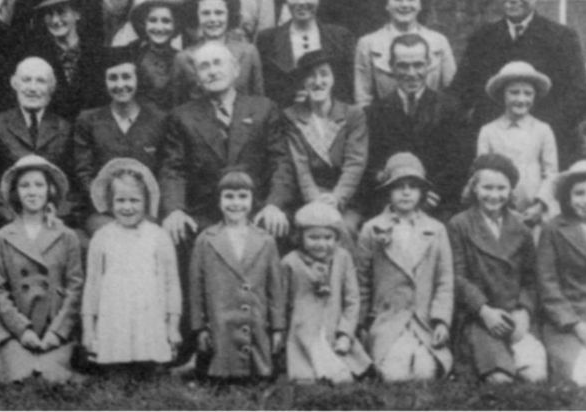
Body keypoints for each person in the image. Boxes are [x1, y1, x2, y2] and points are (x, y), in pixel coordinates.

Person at [451, 0, 586, 168]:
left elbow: (581, 94)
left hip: (547, 144)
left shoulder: (561, 38)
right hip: (494, 144)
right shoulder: (482, 38)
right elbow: (461, 91)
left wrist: (536, 129)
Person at [161, 42, 292, 242]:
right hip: (204, 215)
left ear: (236, 70)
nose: (212, 72)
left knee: (276, 228)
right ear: (197, 77)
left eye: (218, 64)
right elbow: (173, 169)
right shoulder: (182, 116)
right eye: (204, 67)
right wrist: (175, 210)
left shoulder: (264, 109)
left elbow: (280, 163)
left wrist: (274, 205)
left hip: (255, 210)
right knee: (179, 231)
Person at [0, 155, 84, 383]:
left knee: (54, 375)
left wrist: (57, 332)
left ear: (50, 190)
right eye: (25, 186)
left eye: (39, 185)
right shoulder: (2, 238)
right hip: (16, 328)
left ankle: (53, 354)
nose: (32, 192)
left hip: (55, 325)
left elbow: (75, 289)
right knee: (18, 372)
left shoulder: (67, 236)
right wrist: (23, 331)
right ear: (15, 193)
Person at [355, 152, 454, 382]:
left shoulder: (436, 230)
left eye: (413, 187)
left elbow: (444, 282)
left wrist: (441, 320)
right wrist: (361, 324)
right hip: (388, 319)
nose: (406, 192)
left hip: (424, 321)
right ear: (388, 192)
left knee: (425, 372)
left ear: (422, 192)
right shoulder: (372, 229)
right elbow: (362, 281)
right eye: (399, 187)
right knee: (394, 374)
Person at [448, 154, 546, 384]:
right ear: (474, 188)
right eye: (487, 187)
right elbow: (457, 277)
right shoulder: (459, 225)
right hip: (479, 317)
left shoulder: (521, 228)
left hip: (514, 315)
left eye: (501, 188)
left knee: (535, 376)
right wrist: (484, 310)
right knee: (500, 378)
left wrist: (524, 311)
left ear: (511, 191)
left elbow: (531, 279)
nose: (494, 195)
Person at [82, 158, 180, 367]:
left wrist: (173, 326)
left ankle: (148, 361)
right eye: (121, 200)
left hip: (148, 311)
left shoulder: (158, 236)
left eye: (134, 200)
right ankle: (115, 361)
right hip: (114, 311)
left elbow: (172, 284)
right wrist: (88, 329)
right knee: (116, 368)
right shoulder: (102, 237)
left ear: (146, 201)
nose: (127, 207)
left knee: (148, 367)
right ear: (110, 202)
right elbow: (92, 285)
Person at [189, 171, 285, 379]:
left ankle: (257, 373)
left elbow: (275, 289)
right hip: (221, 323)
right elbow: (196, 289)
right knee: (221, 374)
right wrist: (199, 328)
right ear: (219, 200)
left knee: (259, 375)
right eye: (229, 196)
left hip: (255, 322)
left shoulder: (266, 240)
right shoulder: (206, 240)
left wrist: (278, 327)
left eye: (242, 196)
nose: (236, 203)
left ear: (252, 200)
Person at [364, 34, 470, 217]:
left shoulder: (450, 109)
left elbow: (458, 163)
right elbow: (371, 165)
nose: (411, 73)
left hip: (438, 202)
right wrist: (394, 194)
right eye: (403, 65)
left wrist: (434, 193)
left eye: (418, 65)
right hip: (390, 202)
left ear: (429, 64)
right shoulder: (374, 113)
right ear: (391, 66)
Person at [536, 160, 586, 387]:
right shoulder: (553, 228)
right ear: (567, 197)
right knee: (582, 372)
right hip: (567, 321)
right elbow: (547, 284)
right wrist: (576, 325)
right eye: (579, 193)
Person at [74, 47, 166, 235]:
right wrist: (109, 205)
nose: (120, 84)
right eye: (113, 78)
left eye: (126, 77)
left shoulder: (158, 119)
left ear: (138, 80)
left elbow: (165, 169)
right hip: (104, 213)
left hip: (147, 211)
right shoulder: (89, 120)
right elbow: (84, 171)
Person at [281, 50, 368, 250]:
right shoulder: (291, 116)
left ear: (333, 79)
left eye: (324, 74)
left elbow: (355, 162)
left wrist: (337, 198)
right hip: (308, 197)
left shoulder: (353, 115)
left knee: (343, 227)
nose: (317, 81)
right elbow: (299, 164)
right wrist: (316, 202)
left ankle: (347, 279)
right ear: (303, 81)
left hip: (345, 198)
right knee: (307, 228)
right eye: (310, 75)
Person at [281, 201, 372, 384]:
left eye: (328, 237)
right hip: (303, 333)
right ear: (300, 237)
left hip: (334, 330)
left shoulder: (342, 258)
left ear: (337, 238)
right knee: (306, 378)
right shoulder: (290, 263)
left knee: (344, 378)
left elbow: (352, 300)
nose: (321, 244)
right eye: (313, 237)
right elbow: (282, 303)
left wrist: (345, 333)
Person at [0, 57, 76, 230]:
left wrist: (58, 216)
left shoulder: (65, 128)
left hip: (53, 221)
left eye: (40, 81)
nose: (32, 88)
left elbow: (73, 184)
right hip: (9, 222)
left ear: (51, 88)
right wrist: (15, 220)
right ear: (14, 83)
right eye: (26, 80)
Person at [353, 0, 455, 107]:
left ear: (420, 4)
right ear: (386, 4)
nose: (405, 4)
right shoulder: (368, 44)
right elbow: (363, 99)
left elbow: (452, 94)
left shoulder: (439, 42)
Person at [255, 0, 355, 107]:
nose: (301, 2)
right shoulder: (267, 39)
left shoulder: (340, 37)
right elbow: (264, 90)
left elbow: (348, 88)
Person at [477, 61, 558, 227]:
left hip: (536, 212)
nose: (521, 99)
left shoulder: (543, 130)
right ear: (503, 95)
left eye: (528, 93)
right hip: (498, 210)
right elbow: (481, 175)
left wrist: (540, 205)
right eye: (514, 93)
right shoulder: (489, 131)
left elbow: (551, 173)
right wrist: (502, 207)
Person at [18, 0, 107, 119]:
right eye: (49, 14)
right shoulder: (35, 56)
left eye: (61, 12)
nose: (55, 20)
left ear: (77, 14)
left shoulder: (97, 54)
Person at [170, 0, 264, 105]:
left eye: (219, 13)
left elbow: (260, 102)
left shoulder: (248, 53)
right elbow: (178, 107)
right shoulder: (183, 58)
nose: (213, 19)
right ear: (197, 16)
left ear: (228, 15)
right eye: (206, 13)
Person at [123, 0, 184, 110]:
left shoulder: (182, 58)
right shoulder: (134, 56)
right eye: (153, 20)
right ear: (144, 24)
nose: (159, 28)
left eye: (166, 21)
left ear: (175, 24)